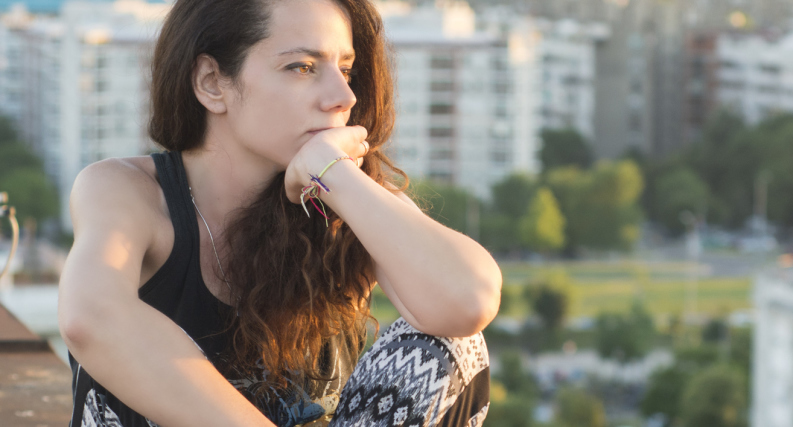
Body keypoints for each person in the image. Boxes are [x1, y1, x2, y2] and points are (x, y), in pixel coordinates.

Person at [56, 0, 501, 425]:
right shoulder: (125, 191)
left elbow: (467, 301)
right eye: (302, 68)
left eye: (345, 70)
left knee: (447, 346)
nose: (343, 96)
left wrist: (333, 174)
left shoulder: (344, 195)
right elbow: (90, 317)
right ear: (212, 82)